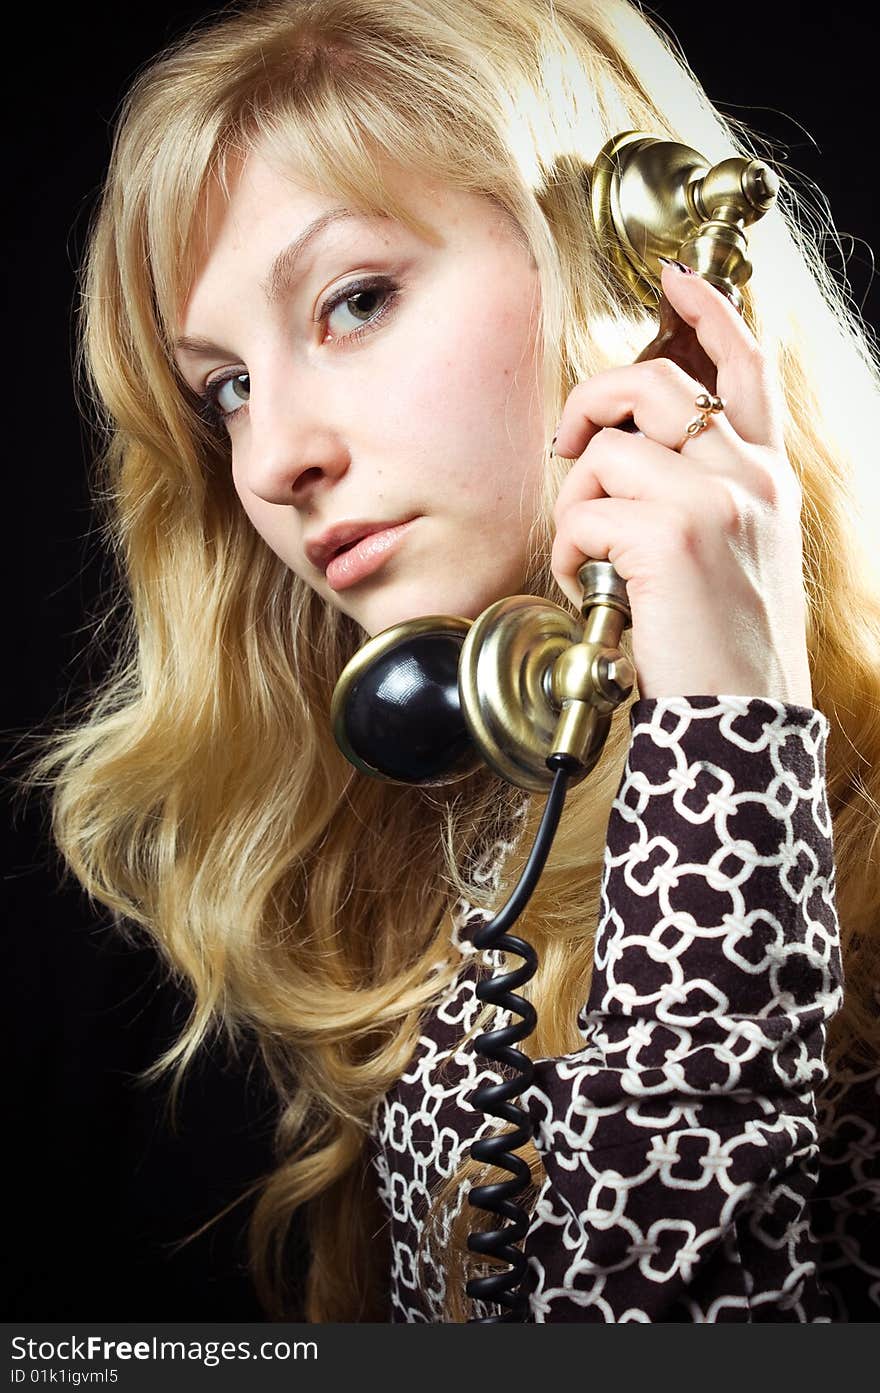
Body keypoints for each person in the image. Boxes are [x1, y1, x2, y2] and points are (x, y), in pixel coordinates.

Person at [21, 0, 879, 1323]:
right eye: (225, 388)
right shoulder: (464, 831)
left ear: (631, 268)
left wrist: (730, 740)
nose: (268, 460)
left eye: (355, 301)